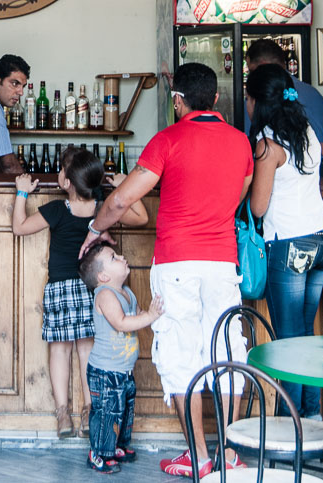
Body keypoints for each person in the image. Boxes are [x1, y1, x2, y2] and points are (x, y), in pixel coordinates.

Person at [79, 62, 254, 479]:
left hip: (177, 260)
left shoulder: (168, 139)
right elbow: (238, 197)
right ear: (214, 99)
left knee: (178, 355)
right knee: (226, 348)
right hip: (222, 262)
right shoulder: (241, 143)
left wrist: (94, 229)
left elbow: (120, 202)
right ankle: (229, 454)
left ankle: (198, 456)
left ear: (178, 101)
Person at [12, 147, 148, 440]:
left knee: (59, 350)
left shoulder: (57, 209)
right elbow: (141, 218)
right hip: (93, 290)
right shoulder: (103, 207)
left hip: (60, 287)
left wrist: (22, 193)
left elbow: (19, 228)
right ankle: (89, 409)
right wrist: (124, 187)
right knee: (88, 349)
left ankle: (62, 413)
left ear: (65, 183)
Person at [245, 62, 323, 418]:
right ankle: (311, 416)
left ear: (256, 101)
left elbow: (259, 205)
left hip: (292, 246)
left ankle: (291, 421)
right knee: (306, 333)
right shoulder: (307, 132)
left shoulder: (267, 144)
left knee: (289, 339)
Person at [78, 240, 164, 474]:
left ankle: (117, 445)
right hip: (104, 372)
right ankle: (98, 453)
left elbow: (139, 316)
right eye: (114, 257)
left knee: (124, 409)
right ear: (104, 276)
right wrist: (151, 316)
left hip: (123, 370)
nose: (122, 257)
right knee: (106, 413)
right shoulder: (105, 295)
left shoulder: (127, 293)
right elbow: (122, 323)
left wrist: (154, 316)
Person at [245, 38, 323, 143]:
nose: (251, 76)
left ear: (263, 66)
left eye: (252, 70)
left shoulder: (260, 96)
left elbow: (249, 139)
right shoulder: (314, 94)